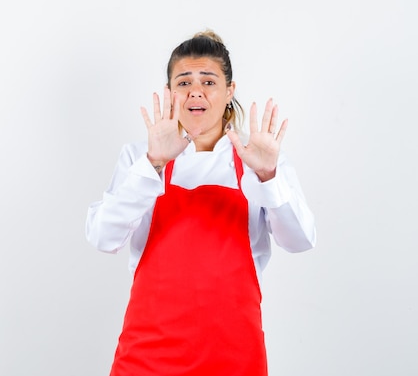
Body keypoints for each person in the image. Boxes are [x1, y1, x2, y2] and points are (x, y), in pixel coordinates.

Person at [85, 29, 316, 376]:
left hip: (235, 357)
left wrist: (268, 176)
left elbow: (300, 241)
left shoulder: (259, 159)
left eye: (208, 81)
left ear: (229, 92)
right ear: (170, 94)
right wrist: (153, 164)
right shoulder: (140, 156)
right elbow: (103, 238)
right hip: (148, 355)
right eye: (183, 82)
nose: (196, 90)